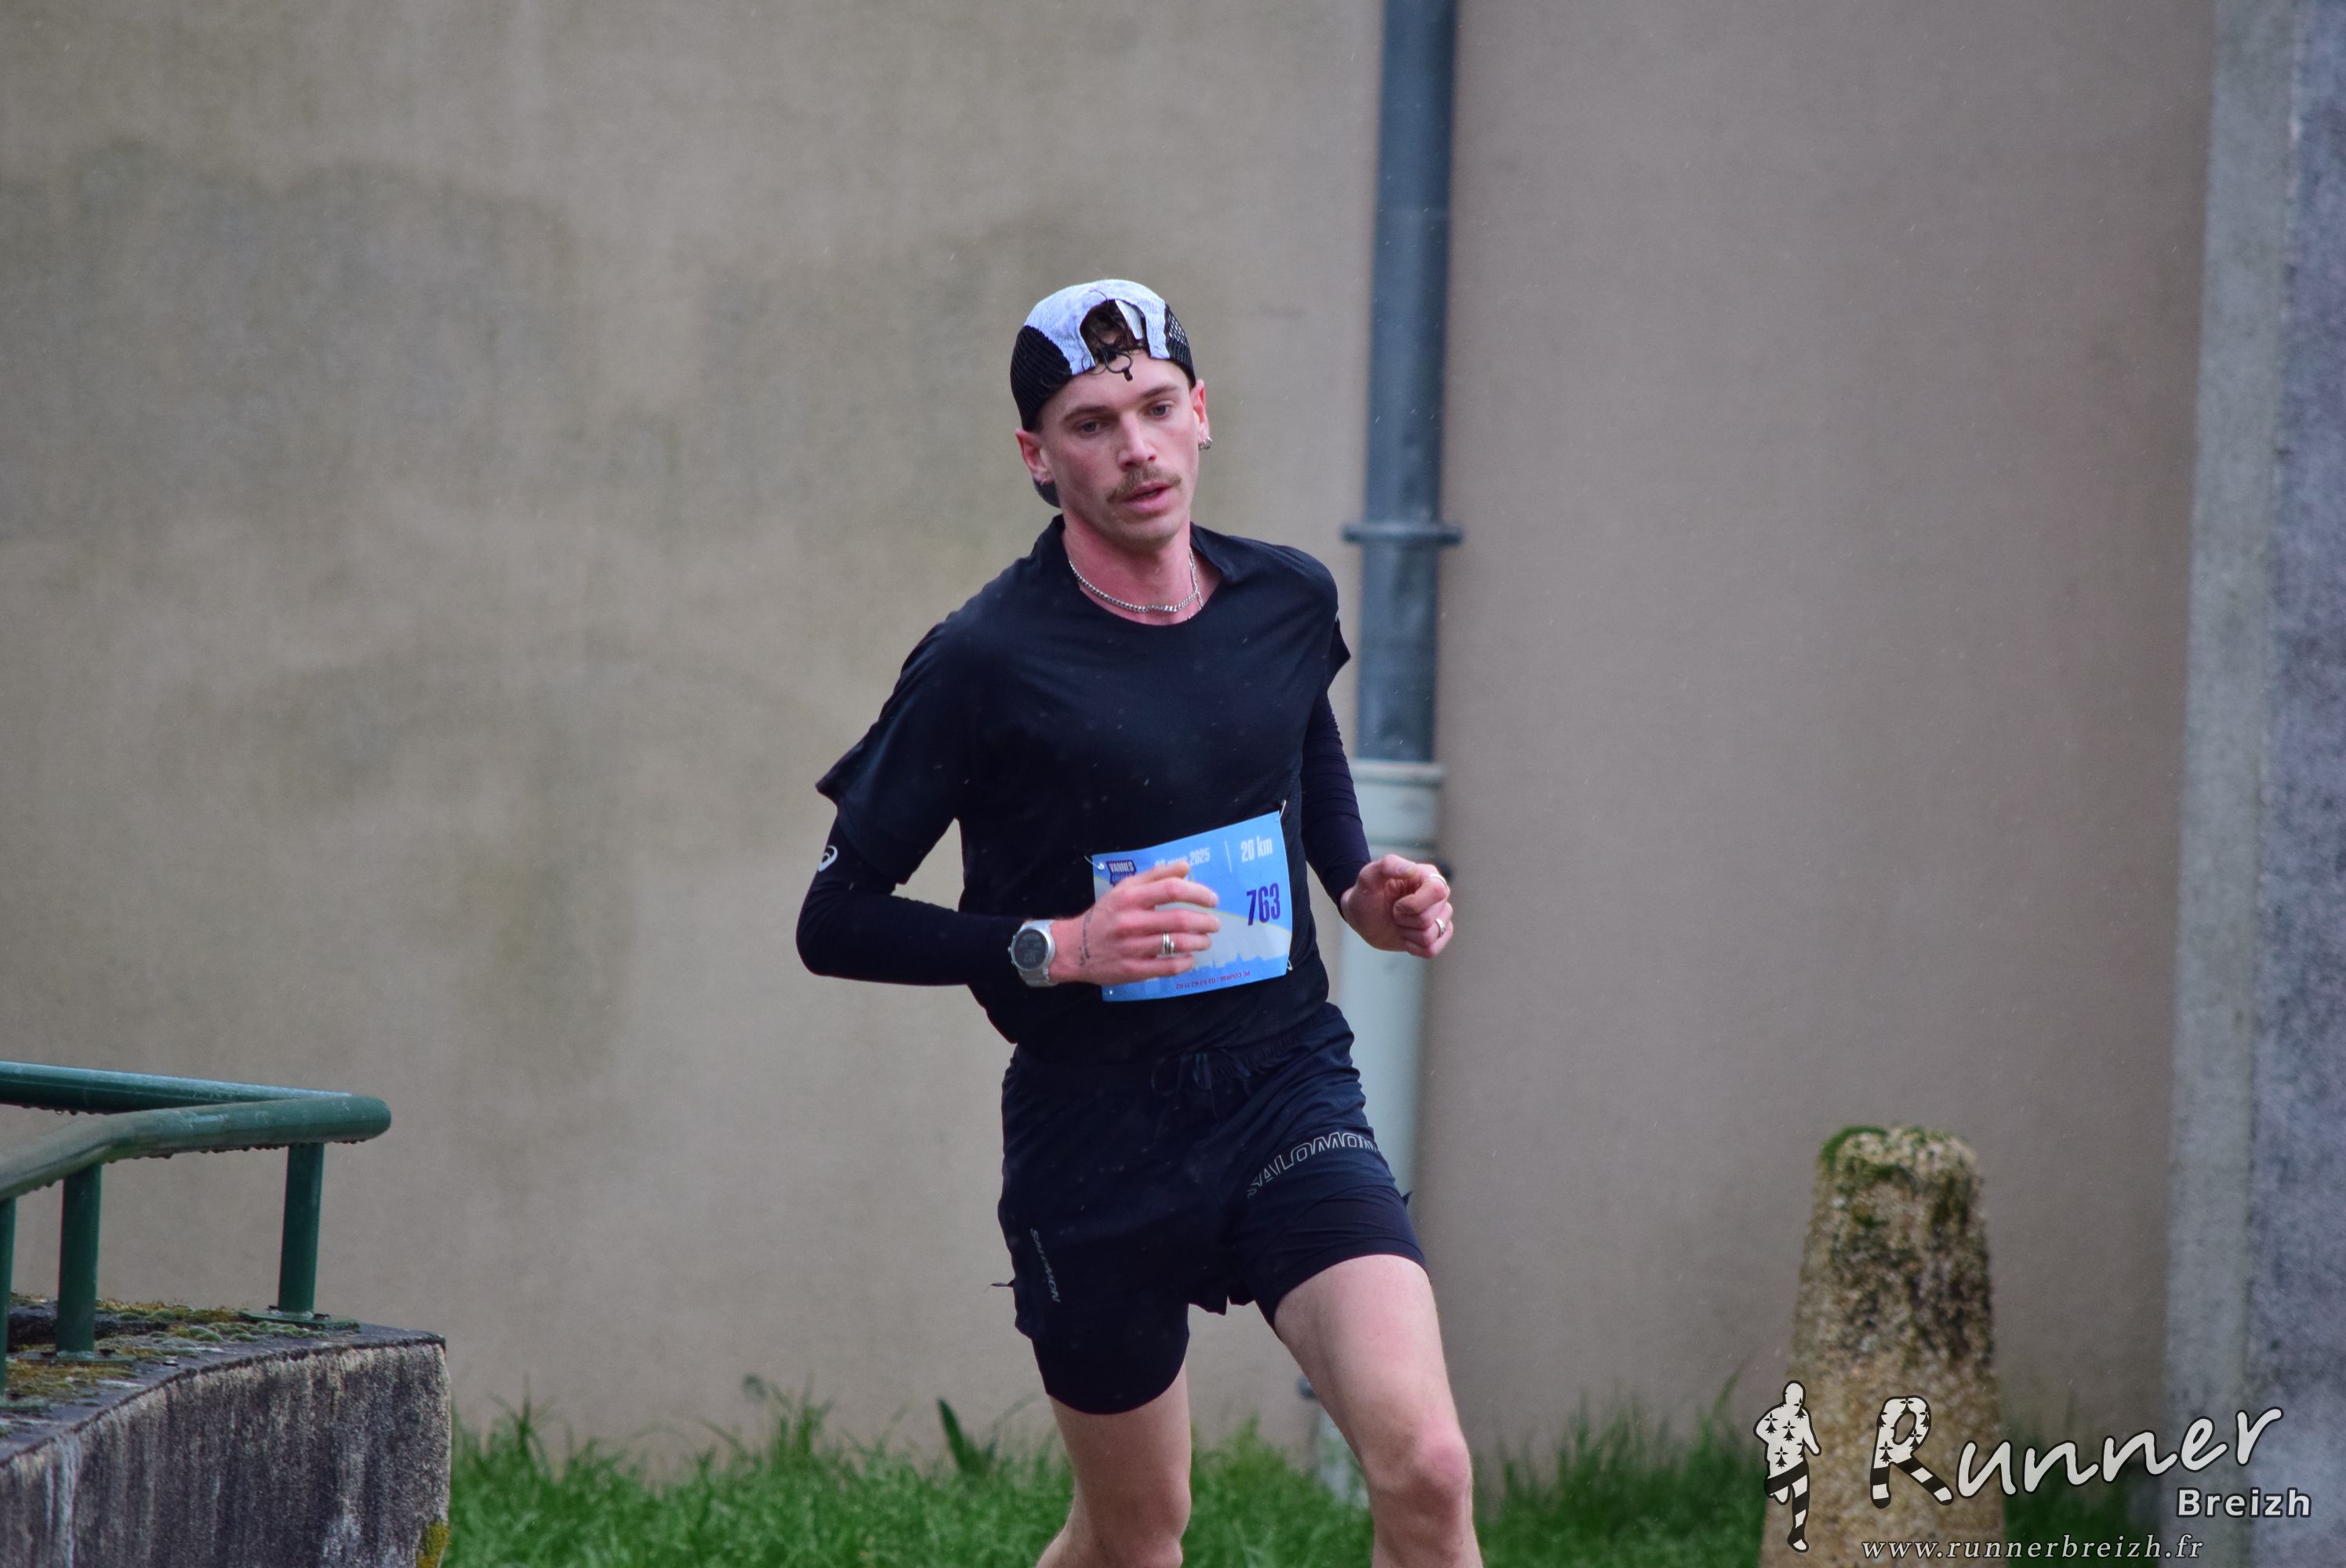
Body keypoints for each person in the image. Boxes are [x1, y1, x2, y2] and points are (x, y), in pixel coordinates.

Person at [798, 278, 1475, 1567]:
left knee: (1429, 1469)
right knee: (1134, 1533)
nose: (1137, 449)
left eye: (1158, 408)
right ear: (1037, 457)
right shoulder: (983, 659)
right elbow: (833, 920)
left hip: (1284, 1091)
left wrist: (1358, 887)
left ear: (1202, 411)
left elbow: (1297, 747)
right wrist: (1058, 946)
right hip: (1094, 1135)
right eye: (1093, 424)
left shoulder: (1286, 599)